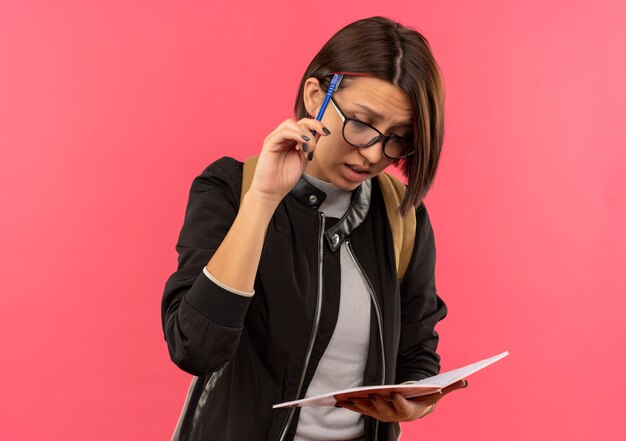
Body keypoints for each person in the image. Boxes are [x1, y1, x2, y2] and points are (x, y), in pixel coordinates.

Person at [161, 16, 468, 441]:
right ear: (315, 96)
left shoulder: (401, 215)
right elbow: (195, 347)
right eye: (361, 122)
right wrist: (264, 199)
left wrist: (416, 399)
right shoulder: (230, 190)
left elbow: (416, 350)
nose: (375, 154)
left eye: (398, 137)